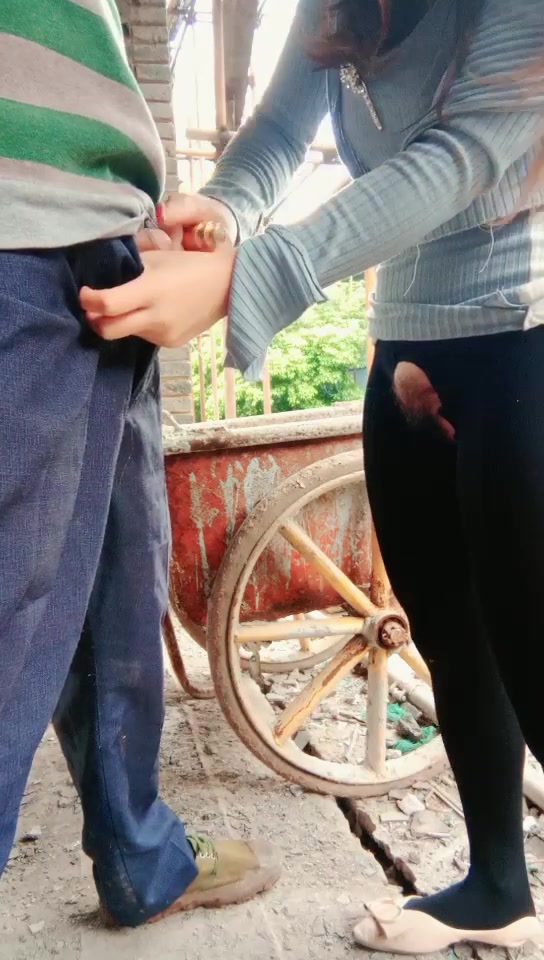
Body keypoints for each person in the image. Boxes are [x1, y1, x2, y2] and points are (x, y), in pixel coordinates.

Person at [82, 0, 544, 952]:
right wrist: (224, 212)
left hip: (523, 331)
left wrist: (250, 277)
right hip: (408, 340)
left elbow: (464, 157)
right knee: (454, 639)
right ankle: (500, 888)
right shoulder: (339, 8)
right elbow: (279, 133)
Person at [0, 0, 282, 929]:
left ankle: (140, 855)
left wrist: (130, 207)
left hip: (100, 240)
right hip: (13, 233)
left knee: (122, 579)